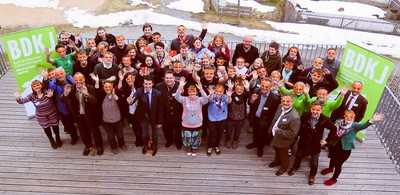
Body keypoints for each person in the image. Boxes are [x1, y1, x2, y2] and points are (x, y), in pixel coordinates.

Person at [321, 111, 384, 186]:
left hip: (345, 149)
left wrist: (372, 120)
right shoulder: (338, 122)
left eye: (351, 117)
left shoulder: (355, 126)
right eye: (347, 116)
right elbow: (333, 131)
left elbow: (363, 125)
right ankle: (330, 169)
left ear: (353, 117)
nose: (349, 118)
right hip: (335, 145)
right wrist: (327, 141)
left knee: (338, 164)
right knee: (332, 158)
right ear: (344, 116)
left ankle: (334, 179)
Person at [288, 101, 337, 185]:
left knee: (314, 162)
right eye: (313, 109)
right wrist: (298, 136)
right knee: (298, 156)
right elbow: (300, 126)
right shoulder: (305, 115)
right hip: (303, 141)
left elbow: (334, 129)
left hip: (315, 144)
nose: (315, 112)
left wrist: (327, 141)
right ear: (311, 108)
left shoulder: (325, 119)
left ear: (321, 110)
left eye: (317, 110)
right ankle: (295, 167)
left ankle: (312, 175)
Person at [60, 73, 104, 156]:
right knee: (83, 133)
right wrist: (65, 93)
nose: (78, 82)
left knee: (95, 132)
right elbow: (62, 100)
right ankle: (89, 146)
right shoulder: (71, 88)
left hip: (90, 115)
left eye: (80, 79)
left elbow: (94, 101)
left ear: (84, 79)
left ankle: (99, 146)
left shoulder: (90, 87)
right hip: (78, 116)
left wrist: (86, 94)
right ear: (74, 80)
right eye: (76, 80)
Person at [15, 80, 61, 149]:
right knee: (46, 128)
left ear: (41, 85)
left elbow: (55, 98)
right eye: (34, 86)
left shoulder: (46, 92)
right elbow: (22, 101)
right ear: (32, 88)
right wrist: (17, 98)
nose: (36, 87)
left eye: (38, 85)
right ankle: (51, 140)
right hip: (42, 116)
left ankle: (58, 138)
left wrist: (51, 96)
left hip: (52, 113)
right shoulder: (31, 96)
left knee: (55, 126)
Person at [41, 67, 78, 144]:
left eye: (61, 73)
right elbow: (47, 87)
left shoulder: (70, 79)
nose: (60, 76)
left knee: (76, 120)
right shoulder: (53, 83)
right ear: (55, 76)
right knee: (69, 123)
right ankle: (74, 137)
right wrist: (45, 79)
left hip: (73, 104)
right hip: (62, 106)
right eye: (57, 75)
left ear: (64, 73)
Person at [175, 77, 209, 156]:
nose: (192, 93)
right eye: (190, 92)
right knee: (186, 138)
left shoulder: (200, 100)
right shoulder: (184, 99)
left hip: (197, 124)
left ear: (196, 92)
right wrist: (180, 87)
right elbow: (177, 97)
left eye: (194, 92)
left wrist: (201, 89)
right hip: (186, 124)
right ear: (188, 92)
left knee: (196, 138)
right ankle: (187, 148)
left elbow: (206, 100)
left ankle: (194, 148)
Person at [268, 94, 301, 176]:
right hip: (275, 137)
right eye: (283, 101)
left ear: (292, 102)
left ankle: (283, 167)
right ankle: (277, 161)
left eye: (288, 101)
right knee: (276, 149)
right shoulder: (280, 106)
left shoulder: (294, 117)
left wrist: (278, 131)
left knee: (284, 155)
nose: (285, 103)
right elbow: (275, 119)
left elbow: (292, 133)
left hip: (284, 140)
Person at [246, 79, 280, 157]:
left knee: (263, 135)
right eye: (263, 86)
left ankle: (260, 148)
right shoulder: (256, 90)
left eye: (266, 86)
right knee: (255, 132)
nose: (264, 88)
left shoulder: (275, 98)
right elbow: (249, 103)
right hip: (255, 118)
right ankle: (255, 143)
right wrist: (252, 100)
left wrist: (269, 123)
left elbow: (273, 113)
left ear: (270, 87)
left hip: (265, 121)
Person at [93, 79, 126, 155]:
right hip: (106, 122)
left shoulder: (117, 94)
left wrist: (115, 96)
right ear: (103, 88)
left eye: (110, 87)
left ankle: (122, 144)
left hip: (118, 120)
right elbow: (96, 92)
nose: (108, 88)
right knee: (110, 137)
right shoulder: (101, 97)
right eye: (106, 87)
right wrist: (97, 82)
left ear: (112, 87)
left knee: (120, 135)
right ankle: (113, 147)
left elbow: (123, 105)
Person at [134, 75, 163, 156]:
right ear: (143, 84)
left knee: (155, 133)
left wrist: (160, 121)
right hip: (144, 116)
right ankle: (146, 144)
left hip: (155, 117)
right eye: (146, 84)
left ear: (152, 83)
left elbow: (161, 109)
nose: (147, 86)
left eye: (149, 84)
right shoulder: (139, 91)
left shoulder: (158, 93)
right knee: (144, 134)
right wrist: (130, 100)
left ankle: (154, 145)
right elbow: (134, 98)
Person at [155, 70, 183, 150]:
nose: (169, 80)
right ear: (164, 78)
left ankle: (178, 142)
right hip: (165, 114)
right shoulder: (158, 86)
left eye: (171, 78)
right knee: (167, 130)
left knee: (178, 130)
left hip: (178, 114)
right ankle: (169, 140)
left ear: (174, 78)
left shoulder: (180, 86)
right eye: (167, 78)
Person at [116, 72, 143, 147]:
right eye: (128, 79)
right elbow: (118, 91)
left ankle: (141, 137)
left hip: (139, 111)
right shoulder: (125, 89)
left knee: (140, 126)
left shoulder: (139, 87)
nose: (130, 80)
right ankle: (137, 138)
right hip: (130, 112)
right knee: (134, 126)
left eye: (131, 78)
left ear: (134, 78)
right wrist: (120, 80)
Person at [206, 84, 232, 156]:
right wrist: (211, 94)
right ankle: (210, 146)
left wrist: (229, 96)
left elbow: (229, 102)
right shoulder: (212, 96)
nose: (218, 93)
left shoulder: (225, 97)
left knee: (219, 134)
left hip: (222, 118)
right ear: (215, 91)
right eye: (217, 91)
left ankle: (217, 145)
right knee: (212, 134)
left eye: (220, 91)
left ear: (223, 91)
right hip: (212, 118)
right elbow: (209, 100)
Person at [226, 82, 250, 149]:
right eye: (237, 89)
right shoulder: (232, 95)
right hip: (231, 117)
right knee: (229, 130)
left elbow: (248, 95)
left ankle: (235, 140)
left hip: (241, 118)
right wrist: (230, 89)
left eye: (241, 89)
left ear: (243, 90)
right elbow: (228, 98)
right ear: (235, 89)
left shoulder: (244, 95)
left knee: (238, 131)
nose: (239, 90)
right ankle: (228, 140)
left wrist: (247, 89)